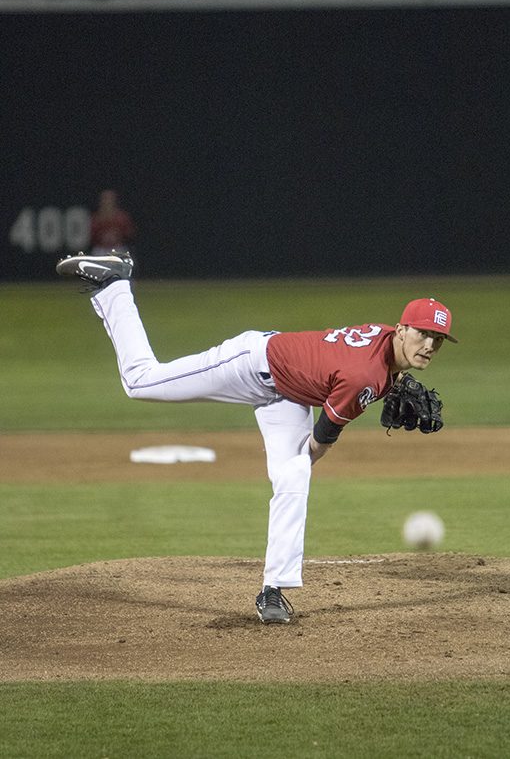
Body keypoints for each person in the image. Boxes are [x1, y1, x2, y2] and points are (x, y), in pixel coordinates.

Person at [55, 250, 457, 624]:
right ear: (402, 328)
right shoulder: (362, 379)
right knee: (140, 382)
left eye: (437, 339)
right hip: (251, 364)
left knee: (293, 475)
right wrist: (306, 455)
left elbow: (374, 368)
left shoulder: (387, 340)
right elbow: (322, 439)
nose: (429, 345)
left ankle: (273, 591)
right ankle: (115, 283)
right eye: (422, 334)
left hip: (289, 392)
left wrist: (293, 467)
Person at [89, 190, 136, 255]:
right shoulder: (95, 218)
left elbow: (130, 235)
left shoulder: (121, 217)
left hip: (118, 248)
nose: (107, 202)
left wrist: (117, 235)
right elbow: (90, 237)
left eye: (109, 199)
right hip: (100, 249)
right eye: (105, 199)